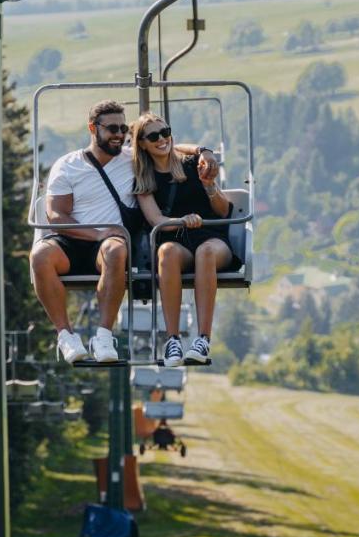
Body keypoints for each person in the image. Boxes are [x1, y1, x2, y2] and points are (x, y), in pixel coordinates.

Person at [30, 100, 218, 364]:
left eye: (123, 128)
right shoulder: (67, 165)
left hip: (111, 241)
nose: (119, 134)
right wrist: (95, 234)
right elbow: (56, 215)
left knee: (116, 250)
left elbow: (166, 147)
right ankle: (65, 335)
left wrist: (203, 151)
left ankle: (104, 335)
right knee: (39, 256)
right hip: (72, 238)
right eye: (111, 129)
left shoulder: (133, 159)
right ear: (93, 128)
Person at [130, 112, 233, 366]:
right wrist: (180, 221)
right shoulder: (144, 179)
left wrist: (209, 185)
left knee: (205, 253)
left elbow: (223, 211)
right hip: (176, 237)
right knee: (166, 253)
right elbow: (156, 220)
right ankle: (173, 338)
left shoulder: (191, 165)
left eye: (165, 132)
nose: (162, 139)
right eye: (153, 136)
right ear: (142, 143)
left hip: (211, 236)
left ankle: (203, 338)